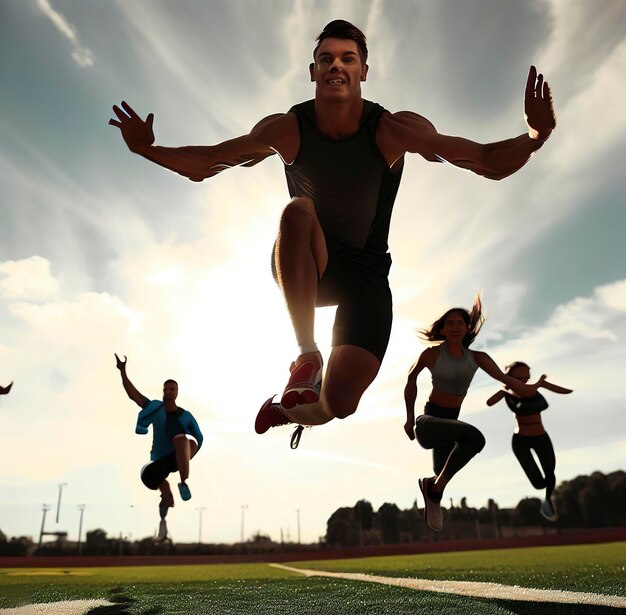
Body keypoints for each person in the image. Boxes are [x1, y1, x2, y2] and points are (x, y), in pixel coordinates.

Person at [109, 20, 556, 440]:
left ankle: (288, 410)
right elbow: (209, 161)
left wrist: (535, 136)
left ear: (364, 69)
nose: (336, 66)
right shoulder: (288, 128)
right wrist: (147, 150)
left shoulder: (393, 129)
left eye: (346, 58)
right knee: (297, 211)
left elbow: (484, 160)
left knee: (340, 404)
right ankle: (306, 355)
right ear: (312, 71)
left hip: (367, 277)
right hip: (310, 259)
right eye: (326, 59)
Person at [403, 297, 547, 531]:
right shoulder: (431, 354)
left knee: (442, 471)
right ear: (442, 328)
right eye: (450, 323)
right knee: (476, 437)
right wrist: (410, 418)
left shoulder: (477, 358)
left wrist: (534, 387)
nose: (455, 327)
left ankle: (434, 489)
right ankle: (435, 488)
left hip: (451, 425)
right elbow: (411, 380)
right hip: (429, 422)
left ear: (467, 328)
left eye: (460, 323)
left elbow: (506, 379)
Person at [115, 354, 203, 542]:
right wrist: (123, 372)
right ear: (163, 391)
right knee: (163, 490)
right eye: (167, 389)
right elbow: (134, 396)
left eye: (173, 389)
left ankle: (183, 481)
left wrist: (190, 455)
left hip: (178, 456)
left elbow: (200, 438)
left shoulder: (185, 416)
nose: (169, 392)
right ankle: (163, 524)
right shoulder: (155, 408)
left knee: (184, 440)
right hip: (159, 463)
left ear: (177, 392)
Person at [486, 361, 572, 521]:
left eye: (526, 377)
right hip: (521, 440)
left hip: (541, 436)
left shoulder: (532, 390)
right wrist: (506, 387)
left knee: (550, 474)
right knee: (539, 483)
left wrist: (541, 384)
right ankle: (545, 498)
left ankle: (548, 502)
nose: (524, 380)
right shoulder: (509, 393)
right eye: (520, 377)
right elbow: (490, 402)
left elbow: (562, 391)